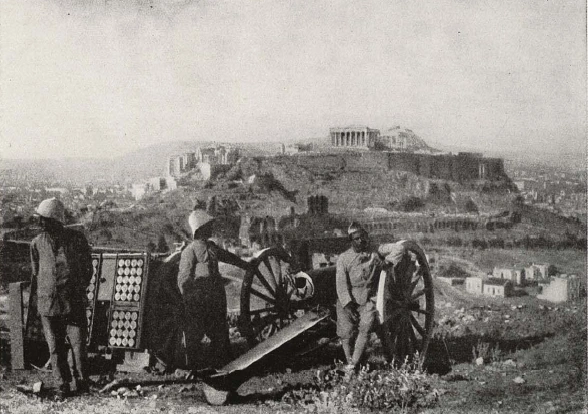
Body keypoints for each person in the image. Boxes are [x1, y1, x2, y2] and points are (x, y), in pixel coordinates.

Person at [30, 198, 93, 399]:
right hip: (48, 304)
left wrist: (77, 290)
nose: (40, 223)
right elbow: (36, 273)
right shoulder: (36, 244)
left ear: (55, 220)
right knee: (55, 348)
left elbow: (88, 269)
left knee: (78, 346)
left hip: (73, 302)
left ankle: (82, 383)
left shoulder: (77, 240)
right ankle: (62, 385)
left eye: (44, 219)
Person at [177, 209, 252, 370]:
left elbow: (229, 257)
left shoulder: (211, 248)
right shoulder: (189, 252)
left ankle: (224, 365)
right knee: (194, 336)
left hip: (216, 299)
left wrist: (246, 265)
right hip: (199, 301)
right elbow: (183, 279)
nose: (211, 228)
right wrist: (191, 299)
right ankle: (194, 367)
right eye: (208, 226)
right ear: (200, 229)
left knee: (220, 333)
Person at [335, 222, 406, 373]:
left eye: (363, 237)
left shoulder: (375, 251)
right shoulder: (343, 258)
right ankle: (349, 360)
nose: (361, 241)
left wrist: (388, 262)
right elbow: (341, 284)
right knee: (346, 332)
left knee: (366, 326)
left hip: (369, 300)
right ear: (351, 240)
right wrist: (348, 305)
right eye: (357, 238)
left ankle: (353, 365)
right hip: (348, 300)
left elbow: (399, 248)